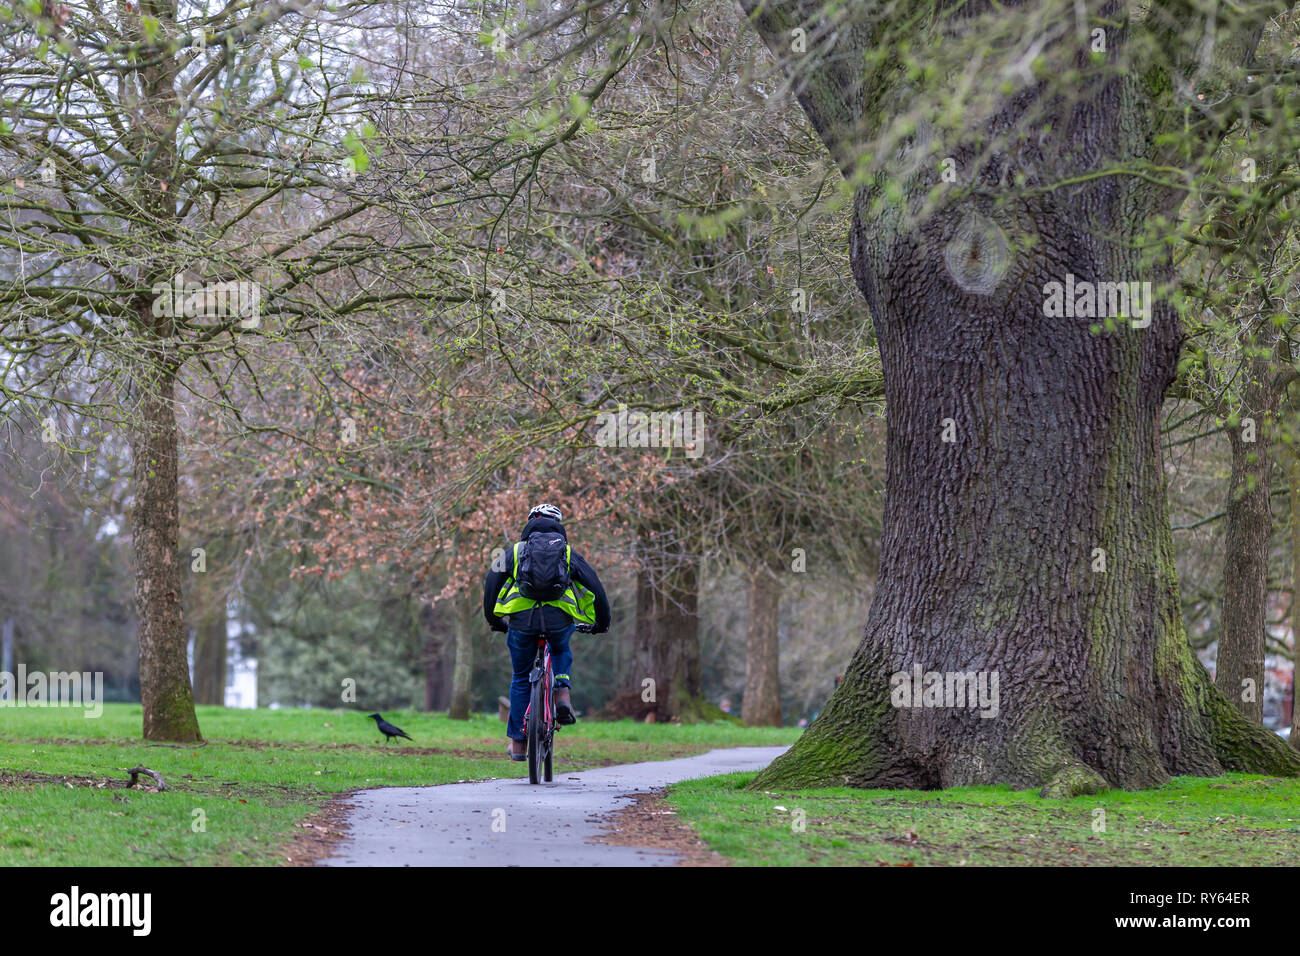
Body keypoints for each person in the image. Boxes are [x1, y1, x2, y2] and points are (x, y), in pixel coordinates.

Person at [483, 503, 610, 761]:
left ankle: (518, 744)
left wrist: (493, 619)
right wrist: (602, 623)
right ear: (558, 524)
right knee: (561, 647)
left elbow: (491, 582)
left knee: (520, 677)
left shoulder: (517, 551)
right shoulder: (566, 552)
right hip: (557, 620)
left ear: (530, 522)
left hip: (522, 621)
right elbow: (595, 584)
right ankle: (562, 691)